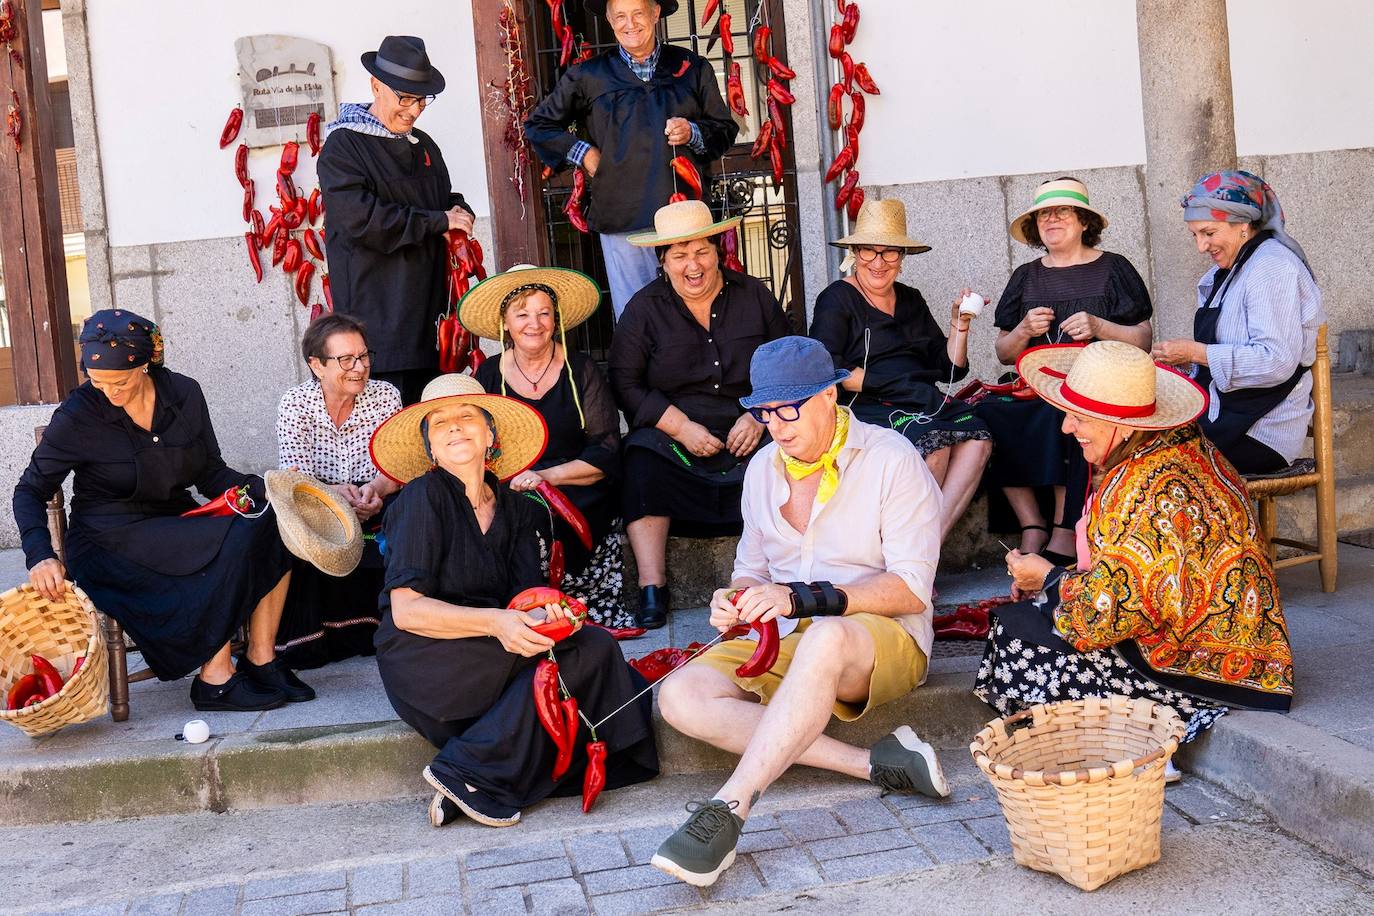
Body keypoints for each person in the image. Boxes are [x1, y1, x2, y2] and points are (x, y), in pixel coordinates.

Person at [651, 337, 949, 888]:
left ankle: (729, 809)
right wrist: (735, 597)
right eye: (765, 411)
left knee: (827, 637)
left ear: (830, 394)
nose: (777, 425)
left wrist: (805, 598)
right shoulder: (764, 466)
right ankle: (875, 763)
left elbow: (911, 588)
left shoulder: (890, 458)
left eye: (789, 408)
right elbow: (751, 568)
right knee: (678, 696)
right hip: (789, 632)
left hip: (881, 638)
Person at [367, 377, 658, 828]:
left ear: (490, 435)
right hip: (427, 657)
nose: (455, 428)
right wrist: (500, 624)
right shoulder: (422, 498)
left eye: (467, 417)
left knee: (593, 645)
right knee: (567, 663)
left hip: (493, 651)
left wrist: (553, 616)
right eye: (440, 423)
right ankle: (464, 770)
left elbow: (523, 603)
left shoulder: (518, 509)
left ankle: (473, 773)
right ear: (430, 448)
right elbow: (407, 610)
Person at [977, 340, 1294, 754]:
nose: (1066, 428)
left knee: (1015, 635)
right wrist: (1056, 583)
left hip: (1196, 667)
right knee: (1030, 616)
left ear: (1122, 425)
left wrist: (1050, 580)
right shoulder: (1175, 445)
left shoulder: (1144, 488)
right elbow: (1139, 578)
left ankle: (1137, 741)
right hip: (1233, 649)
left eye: (1078, 417)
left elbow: (1107, 614)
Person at [13, 310, 313, 712]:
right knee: (219, 550)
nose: (109, 393)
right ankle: (215, 678)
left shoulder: (184, 394)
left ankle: (261, 658)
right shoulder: (78, 414)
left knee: (273, 519)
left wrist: (268, 487)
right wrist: (40, 554)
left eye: (119, 382)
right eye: (97, 382)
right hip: (109, 535)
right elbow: (29, 489)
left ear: (145, 364)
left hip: (175, 519)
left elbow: (209, 472)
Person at [609, 201, 791, 628]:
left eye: (701, 251)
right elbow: (625, 384)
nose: (693, 265)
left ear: (718, 250)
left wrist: (762, 415)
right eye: (679, 255)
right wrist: (680, 426)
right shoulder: (643, 309)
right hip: (678, 440)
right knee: (639, 459)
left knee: (791, 450)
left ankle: (785, 571)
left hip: (748, 428)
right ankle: (652, 586)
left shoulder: (754, 296)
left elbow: (786, 362)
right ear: (663, 261)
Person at [525, 0, 739, 318]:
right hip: (622, 215)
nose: (630, 23)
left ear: (655, 13)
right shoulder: (588, 75)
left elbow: (724, 129)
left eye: (638, 13)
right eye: (620, 16)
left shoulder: (692, 68)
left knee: (698, 308)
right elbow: (538, 125)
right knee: (635, 313)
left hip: (684, 215)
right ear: (610, 21)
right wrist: (585, 153)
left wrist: (692, 131)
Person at [980, 178, 1153, 563]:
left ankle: (1064, 527)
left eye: (1062, 211)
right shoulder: (1026, 276)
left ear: (1083, 221)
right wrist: (1024, 329)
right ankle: (1031, 524)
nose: (1051, 219)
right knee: (989, 414)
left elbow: (1143, 339)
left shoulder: (1113, 268)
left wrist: (1099, 327)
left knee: (1062, 413)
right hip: (1036, 382)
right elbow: (1004, 354)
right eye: (1044, 213)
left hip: (1096, 384)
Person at [809, 198, 991, 541]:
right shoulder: (837, 299)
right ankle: (906, 555)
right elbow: (827, 367)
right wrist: (893, 386)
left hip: (922, 400)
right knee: (932, 443)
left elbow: (948, 367)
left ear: (901, 259)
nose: (878, 262)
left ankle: (923, 551)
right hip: (867, 403)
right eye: (868, 252)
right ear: (855, 254)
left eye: (889, 253)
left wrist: (959, 325)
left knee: (978, 439)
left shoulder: (911, 299)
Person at [464, 265, 635, 629]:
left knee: (584, 506)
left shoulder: (581, 369)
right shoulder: (488, 375)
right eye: (522, 314)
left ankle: (585, 609)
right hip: (513, 484)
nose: (534, 323)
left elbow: (605, 448)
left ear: (555, 320)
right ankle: (529, 607)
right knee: (518, 512)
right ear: (505, 322)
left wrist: (546, 476)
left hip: (576, 480)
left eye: (544, 313)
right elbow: (477, 446)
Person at [318, 35, 477, 405]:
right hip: (379, 322)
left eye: (421, 99)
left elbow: (441, 200)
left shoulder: (424, 144)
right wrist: (439, 220)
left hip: (431, 320)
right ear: (376, 86)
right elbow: (361, 219)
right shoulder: (344, 146)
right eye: (404, 98)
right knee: (391, 431)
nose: (414, 110)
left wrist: (459, 210)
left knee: (433, 421)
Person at [1153, 170, 1324, 475]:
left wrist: (1195, 353)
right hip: (1230, 417)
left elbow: (1276, 361)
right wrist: (1177, 364)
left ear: (1243, 224)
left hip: (1261, 433)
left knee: (1155, 467)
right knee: (1133, 443)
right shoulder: (1230, 272)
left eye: (1208, 233)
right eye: (1195, 235)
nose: (1201, 246)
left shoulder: (1271, 267)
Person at [274, 314, 403, 668]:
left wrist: (374, 491)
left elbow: (395, 464)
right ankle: (311, 640)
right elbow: (294, 478)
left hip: (375, 498)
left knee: (411, 510)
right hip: (319, 503)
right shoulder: (296, 404)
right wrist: (335, 497)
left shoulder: (385, 396)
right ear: (316, 365)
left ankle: (396, 628)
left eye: (363, 357)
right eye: (346, 360)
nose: (359, 367)